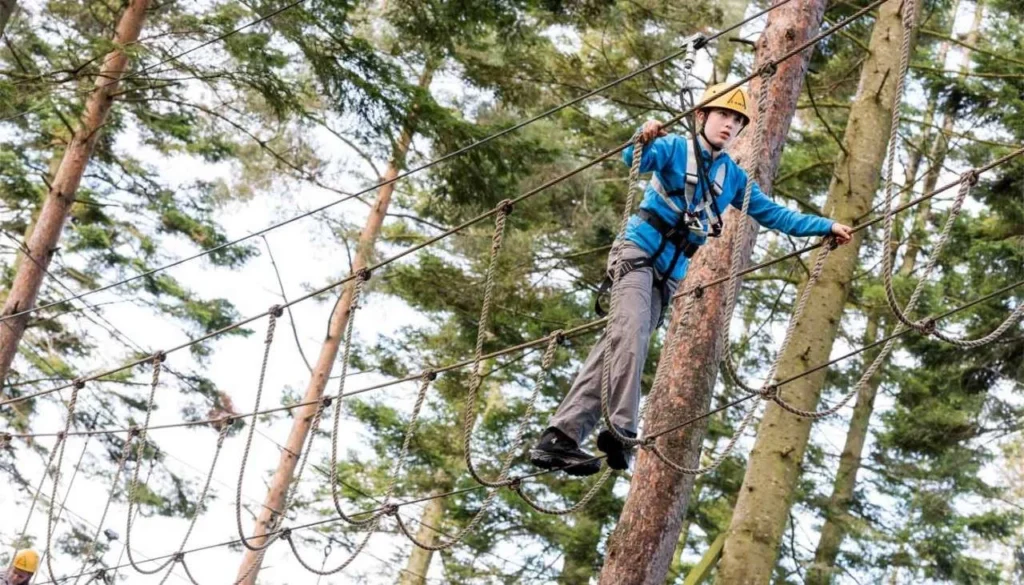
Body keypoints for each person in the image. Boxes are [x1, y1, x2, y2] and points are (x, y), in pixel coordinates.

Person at [529, 83, 854, 476]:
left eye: (737, 121)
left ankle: (559, 439)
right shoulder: (673, 149)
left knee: (616, 348)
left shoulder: (731, 177)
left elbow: (773, 214)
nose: (729, 125)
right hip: (637, 256)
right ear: (702, 116)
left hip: (667, 278)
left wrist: (824, 226)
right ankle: (622, 430)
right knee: (630, 338)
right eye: (723, 116)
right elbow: (634, 159)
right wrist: (644, 133)